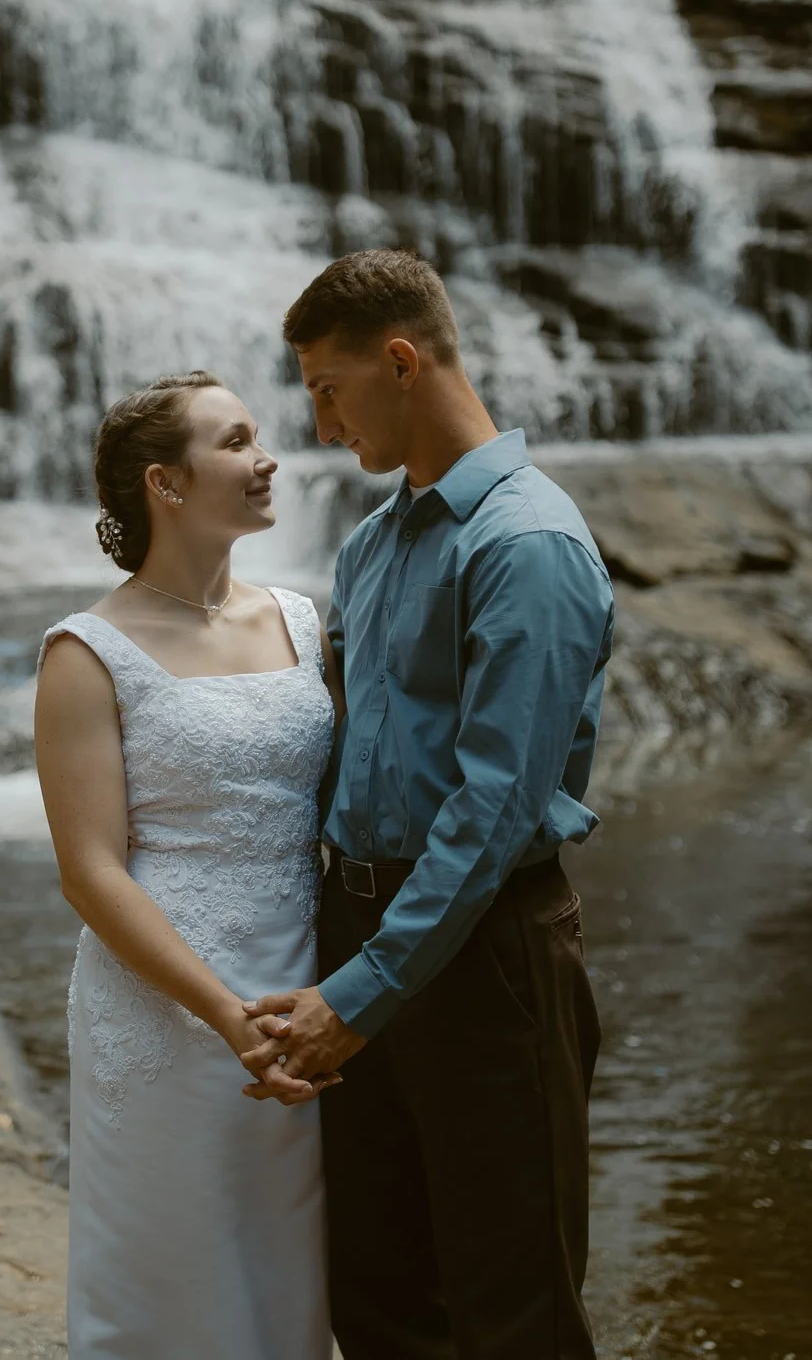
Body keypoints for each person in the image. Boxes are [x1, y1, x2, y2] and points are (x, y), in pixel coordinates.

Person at [247, 248, 615, 1360]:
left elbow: (496, 807)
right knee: (379, 1298)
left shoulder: (528, 543)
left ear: (402, 362)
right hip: (358, 926)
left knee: (515, 1315)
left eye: (329, 389)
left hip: (486, 950)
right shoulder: (372, 544)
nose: (321, 427)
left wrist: (357, 996)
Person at [32, 370, 337, 1360]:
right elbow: (90, 871)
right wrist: (222, 1012)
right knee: (174, 1268)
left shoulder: (300, 620)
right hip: (166, 1006)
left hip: (305, 994)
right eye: (235, 441)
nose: (267, 459)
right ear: (164, 482)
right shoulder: (86, 652)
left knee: (285, 1263)